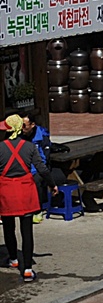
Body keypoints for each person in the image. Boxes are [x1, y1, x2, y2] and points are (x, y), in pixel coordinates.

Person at [1, 114, 52, 282]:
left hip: (6, 192)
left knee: (8, 228)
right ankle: (28, 269)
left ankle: (14, 259)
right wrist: (52, 184)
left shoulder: (0, 148)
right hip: (26, 191)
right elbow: (42, 169)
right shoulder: (30, 147)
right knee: (27, 231)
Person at [19, 112, 56, 224]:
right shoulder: (18, 135)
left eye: (24, 125)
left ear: (32, 125)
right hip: (24, 167)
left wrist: (33, 170)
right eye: (21, 125)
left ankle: (37, 209)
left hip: (39, 168)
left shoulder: (42, 136)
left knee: (35, 180)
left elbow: (44, 159)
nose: (22, 128)